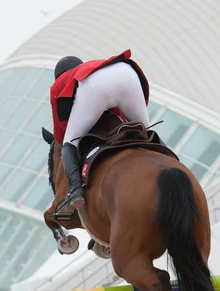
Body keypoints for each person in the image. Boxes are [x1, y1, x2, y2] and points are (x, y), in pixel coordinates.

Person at [50, 49, 151, 209]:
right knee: (147, 132)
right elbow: (118, 116)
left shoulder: (60, 82)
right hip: (127, 72)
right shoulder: (94, 65)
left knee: (69, 141)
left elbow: (60, 131)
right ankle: (175, 162)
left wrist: (64, 138)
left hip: (96, 86)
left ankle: (75, 191)